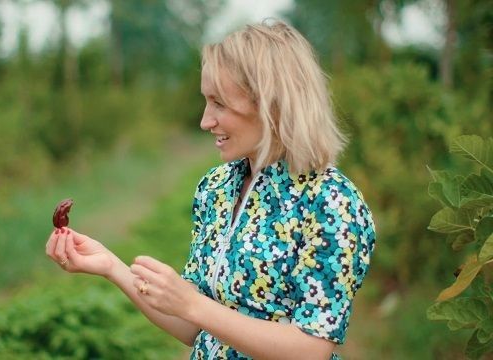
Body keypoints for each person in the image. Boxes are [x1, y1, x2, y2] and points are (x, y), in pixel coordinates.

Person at [45, 20, 376, 360]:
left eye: (219, 103)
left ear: (272, 105)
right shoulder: (217, 187)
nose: (205, 120)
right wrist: (111, 266)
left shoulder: (331, 202)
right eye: (206, 102)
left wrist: (193, 305)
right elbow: (193, 326)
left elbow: (312, 348)